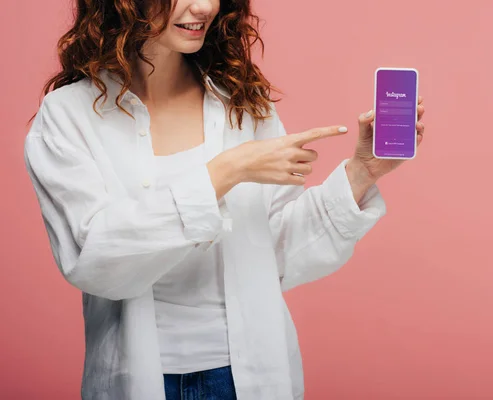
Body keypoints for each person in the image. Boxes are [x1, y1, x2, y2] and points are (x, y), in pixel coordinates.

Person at [23, 0, 425, 399]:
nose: (204, 7)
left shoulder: (243, 104)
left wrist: (361, 173)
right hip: (142, 381)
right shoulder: (68, 116)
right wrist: (225, 172)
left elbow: (278, 253)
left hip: (246, 378)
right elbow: (95, 260)